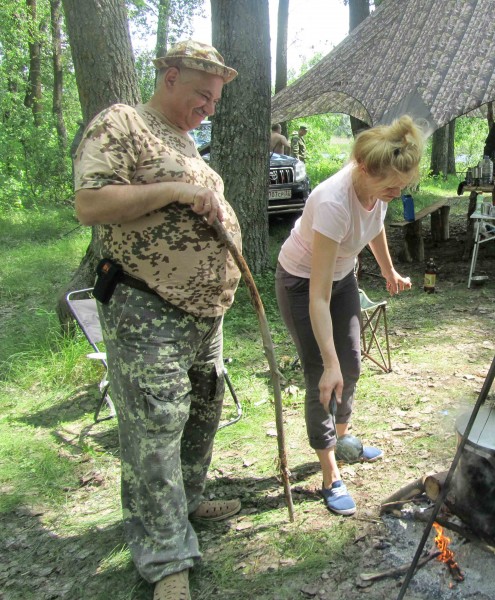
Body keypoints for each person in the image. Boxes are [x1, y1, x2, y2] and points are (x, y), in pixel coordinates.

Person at [73, 40, 241, 600]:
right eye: (202, 95)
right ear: (169, 77)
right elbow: (90, 204)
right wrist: (175, 189)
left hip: (203, 316)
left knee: (200, 416)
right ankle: (165, 557)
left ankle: (186, 507)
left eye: (215, 99)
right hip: (148, 309)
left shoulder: (186, 141)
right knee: (154, 428)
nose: (209, 108)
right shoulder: (123, 123)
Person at [275, 116, 420, 516]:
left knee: (352, 365)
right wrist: (329, 362)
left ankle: (343, 439)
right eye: (390, 186)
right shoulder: (333, 202)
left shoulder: (377, 191)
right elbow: (316, 297)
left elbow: (373, 227)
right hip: (302, 283)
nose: (396, 193)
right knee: (322, 376)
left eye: (401, 187)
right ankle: (329, 473)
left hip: (341, 278)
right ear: (362, 169)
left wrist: (389, 271)